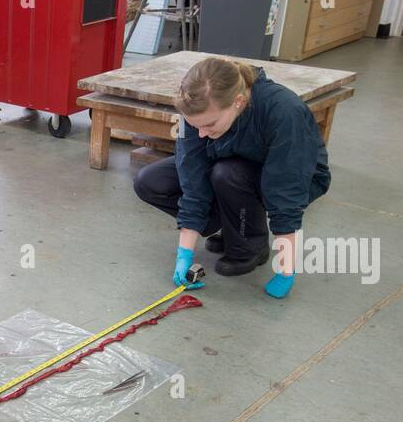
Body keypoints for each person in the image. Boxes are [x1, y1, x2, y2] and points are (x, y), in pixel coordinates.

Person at [133, 56, 331, 299]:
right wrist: (184, 254)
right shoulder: (198, 115)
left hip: (297, 172)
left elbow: (286, 188)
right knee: (151, 181)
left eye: (209, 124)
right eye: (196, 127)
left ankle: (251, 245)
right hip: (231, 157)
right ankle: (231, 222)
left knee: (228, 173)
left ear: (238, 102)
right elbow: (191, 178)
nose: (202, 133)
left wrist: (285, 270)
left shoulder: (283, 111)